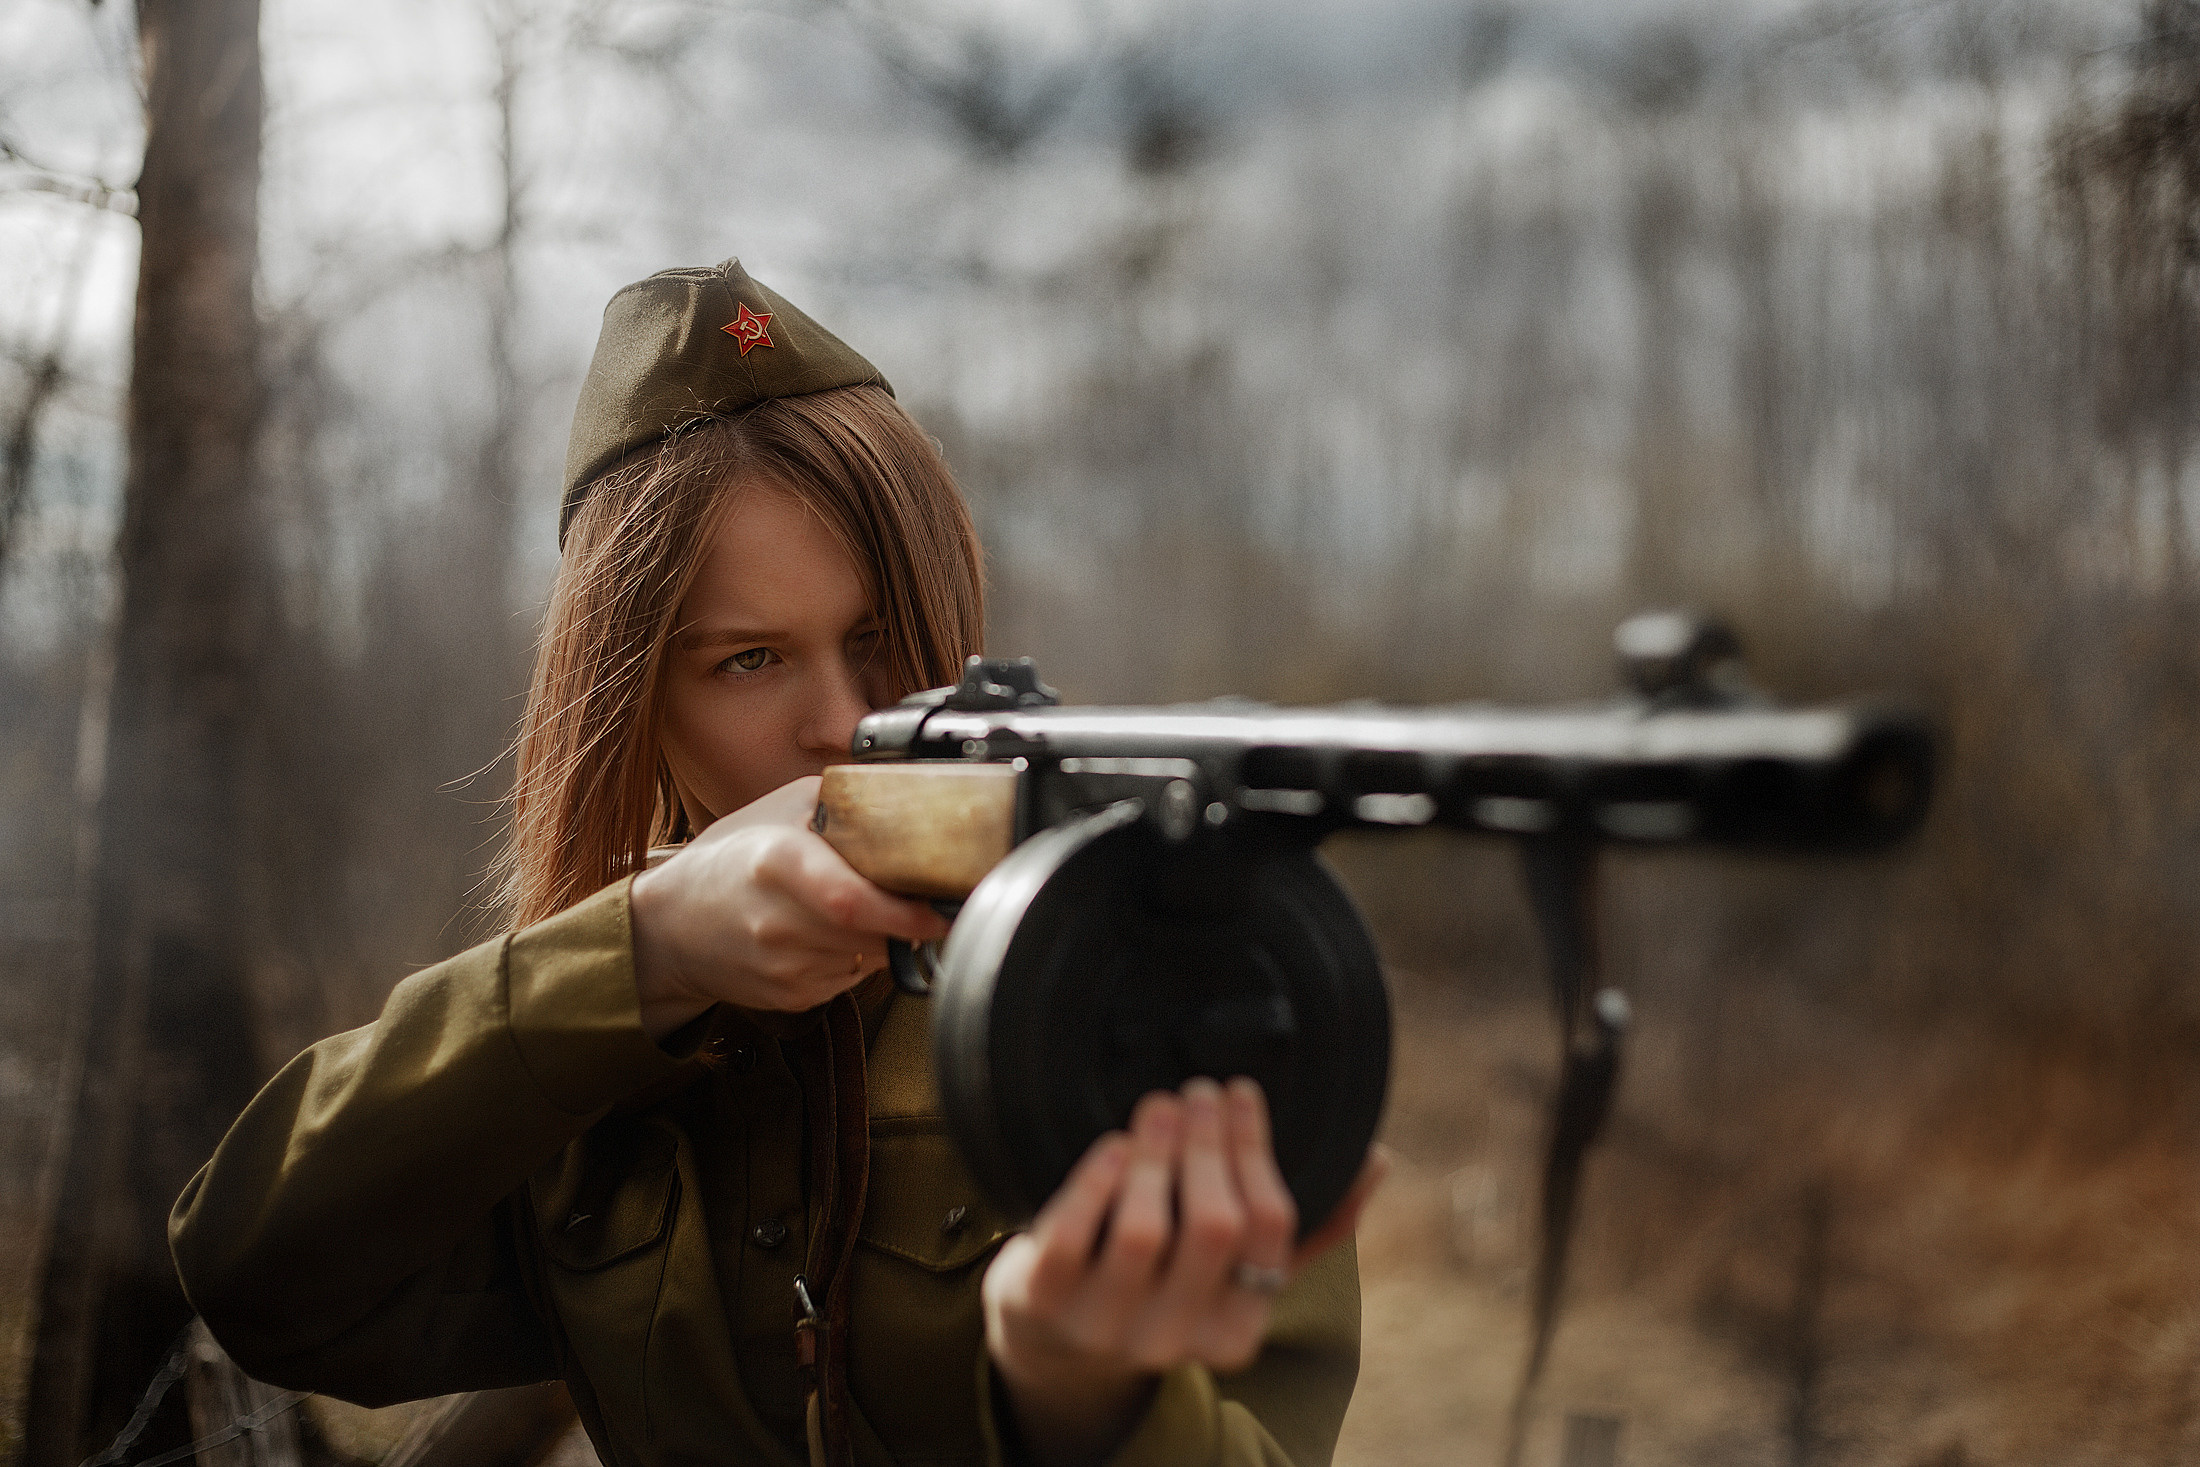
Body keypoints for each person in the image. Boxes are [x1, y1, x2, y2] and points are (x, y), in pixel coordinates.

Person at [170, 259, 1380, 1467]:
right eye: (749, 660)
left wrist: (1082, 1396)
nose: (845, 719)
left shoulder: (1134, 974)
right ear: (634, 706)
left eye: (879, 636)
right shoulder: (593, 1032)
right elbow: (258, 1274)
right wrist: (638, 956)